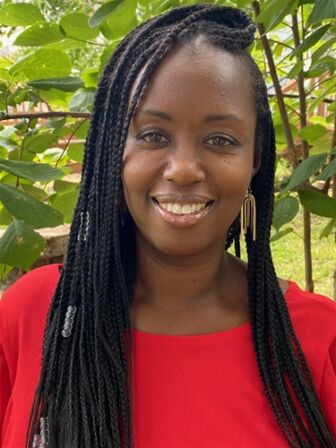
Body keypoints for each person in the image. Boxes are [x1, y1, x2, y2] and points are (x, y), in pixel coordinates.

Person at [0, 4, 335, 448]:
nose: (182, 170)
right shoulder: (35, 315)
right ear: (112, 151)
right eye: (153, 135)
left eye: (221, 140)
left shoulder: (317, 336)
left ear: (255, 161)